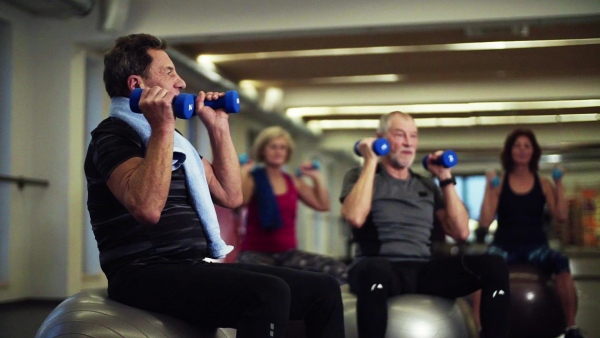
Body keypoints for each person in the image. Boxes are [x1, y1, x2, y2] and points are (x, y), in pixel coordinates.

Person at [84, 33, 344, 338]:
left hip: (190, 265)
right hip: (142, 272)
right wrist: (163, 127)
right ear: (136, 85)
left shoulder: (177, 145)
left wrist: (218, 127)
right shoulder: (114, 137)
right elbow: (147, 208)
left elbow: (231, 195)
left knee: (323, 289)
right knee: (268, 292)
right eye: (169, 72)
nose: (180, 83)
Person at [339, 111, 510, 338]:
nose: (409, 142)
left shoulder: (427, 184)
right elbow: (355, 216)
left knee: (494, 265)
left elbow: (461, 231)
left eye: (413, 136)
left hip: (421, 269)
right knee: (375, 269)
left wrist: (445, 176)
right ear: (380, 137)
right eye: (400, 135)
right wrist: (371, 160)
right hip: (377, 267)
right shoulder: (359, 176)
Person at [477, 128, 584, 338]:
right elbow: (485, 221)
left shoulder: (543, 183)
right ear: (510, 151)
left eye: (527, 146)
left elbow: (561, 215)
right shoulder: (500, 183)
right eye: (517, 145)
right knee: (481, 268)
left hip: (536, 248)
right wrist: (488, 187)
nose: (522, 150)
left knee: (561, 262)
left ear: (534, 152)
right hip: (504, 248)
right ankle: (481, 329)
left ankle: (571, 326)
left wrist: (559, 184)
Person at [237, 126, 348, 284]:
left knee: (337, 269)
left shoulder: (293, 181)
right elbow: (241, 201)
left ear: (287, 153)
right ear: (262, 150)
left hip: (288, 254)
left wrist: (317, 177)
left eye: (283, 148)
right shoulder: (253, 179)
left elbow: (323, 205)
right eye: (273, 147)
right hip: (255, 253)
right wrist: (243, 172)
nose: (278, 151)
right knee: (269, 282)